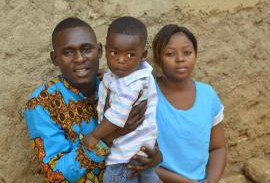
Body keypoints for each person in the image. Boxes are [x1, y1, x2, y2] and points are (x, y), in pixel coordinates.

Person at [24, 17, 162, 183]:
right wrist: (108, 137)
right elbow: (55, 176)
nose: (80, 58)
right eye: (68, 52)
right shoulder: (41, 104)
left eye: (87, 49)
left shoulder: (121, 86)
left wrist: (155, 158)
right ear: (55, 58)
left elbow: (147, 133)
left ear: (100, 51)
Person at [84, 16, 159, 183]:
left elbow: (117, 118)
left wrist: (94, 136)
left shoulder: (131, 85)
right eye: (114, 53)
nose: (121, 60)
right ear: (106, 50)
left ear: (143, 55)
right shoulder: (139, 74)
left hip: (123, 159)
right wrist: (108, 76)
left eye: (130, 54)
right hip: (141, 154)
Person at [152, 25, 227, 183]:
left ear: (195, 54)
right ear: (158, 59)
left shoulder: (208, 96)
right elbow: (138, 158)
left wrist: (211, 180)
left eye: (187, 52)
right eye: (170, 54)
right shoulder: (148, 95)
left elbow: (218, 148)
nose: (180, 59)